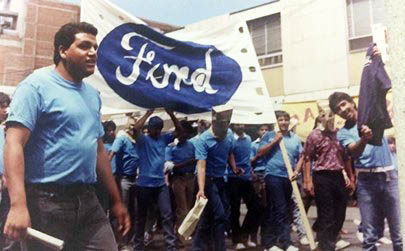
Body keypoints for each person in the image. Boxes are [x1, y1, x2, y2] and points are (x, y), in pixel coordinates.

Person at [3, 22, 130, 250]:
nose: (93, 53)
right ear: (62, 51)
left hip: (88, 201)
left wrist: (117, 201)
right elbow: (14, 143)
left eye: (95, 47)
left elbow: (99, 150)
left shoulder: (93, 95)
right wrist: (18, 205)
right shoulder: (35, 86)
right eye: (84, 46)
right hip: (45, 202)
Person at [329, 92, 402, 251]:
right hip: (366, 181)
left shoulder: (372, 115)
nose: (342, 109)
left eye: (343, 104)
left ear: (352, 102)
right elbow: (353, 152)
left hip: (389, 176)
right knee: (369, 237)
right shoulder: (343, 133)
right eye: (338, 109)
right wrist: (364, 139)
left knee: (398, 235)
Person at [303, 105, 355, 251]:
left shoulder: (340, 134)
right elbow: (307, 158)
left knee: (340, 213)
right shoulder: (314, 135)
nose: (327, 118)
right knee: (326, 214)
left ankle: (327, 239)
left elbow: (346, 158)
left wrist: (351, 177)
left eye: (330, 115)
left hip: (338, 176)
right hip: (322, 176)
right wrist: (308, 180)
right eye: (323, 115)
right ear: (319, 116)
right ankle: (327, 246)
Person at [192, 106, 242, 251]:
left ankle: (198, 246)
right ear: (214, 123)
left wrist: (234, 167)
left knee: (209, 215)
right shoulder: (203, 140)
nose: (224, 128)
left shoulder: (229, 134)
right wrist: (201, 189)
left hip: (221, 179)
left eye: (226, 125)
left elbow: (230, 152)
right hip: (207, 179)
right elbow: (201, 166)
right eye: (221, 125)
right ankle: (220, 247)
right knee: (220, 215)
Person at [132, 109, 181, 251]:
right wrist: (149, 112)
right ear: (149, 128)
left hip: (160, 184)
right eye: (155, 129)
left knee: (167, 215)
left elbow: (180, 131)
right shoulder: (143, 140)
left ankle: (170, 247)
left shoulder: (163, 138)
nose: (158, 132)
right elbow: (136, 128)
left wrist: (171, 113)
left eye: (160, 129)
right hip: (144, 184)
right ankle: (138, 246)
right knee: (141, 217)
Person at [256, 110, 301, 251]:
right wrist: (274, 141)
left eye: (286, 120)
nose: (284, 122)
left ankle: (278, 241)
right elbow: (260, 152)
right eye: (280, 120)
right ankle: (276, 243)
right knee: (279, 208)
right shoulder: (268, 135)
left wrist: (296, 171)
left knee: (285, 209)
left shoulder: (295, 138)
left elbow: (302, 156)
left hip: (288, 177)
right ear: (276, 122)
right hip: (273, 176)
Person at [228, 124, 260, 249]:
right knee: (235, 210)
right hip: (233, 178)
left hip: (247, 178)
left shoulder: (248, 139)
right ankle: (237, 240)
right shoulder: (230, 139)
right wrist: (234, 169)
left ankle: (243, 235)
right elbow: (228, 157)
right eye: (237, 123)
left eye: (241, 123)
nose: (240, 126)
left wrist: (251, 173)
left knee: (255, 207)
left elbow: (247, 160)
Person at [109, 117, 140, 251]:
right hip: (125, 179)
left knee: (134, 211)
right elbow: (111, 154)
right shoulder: (122, 138)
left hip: (135, 178)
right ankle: (122, 242)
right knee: (123, 211)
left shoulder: (136, 140)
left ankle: (131, 241)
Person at [165, 120, 196, 247]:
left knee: (188, 209)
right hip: (178, 179)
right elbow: (169, 166)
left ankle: (183, 236)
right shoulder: (171, 147)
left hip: (190, 178)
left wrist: (181, 164)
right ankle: (180, 241)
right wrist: (186, 163)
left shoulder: (191, 145)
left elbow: (195, 160)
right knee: (182, 210)